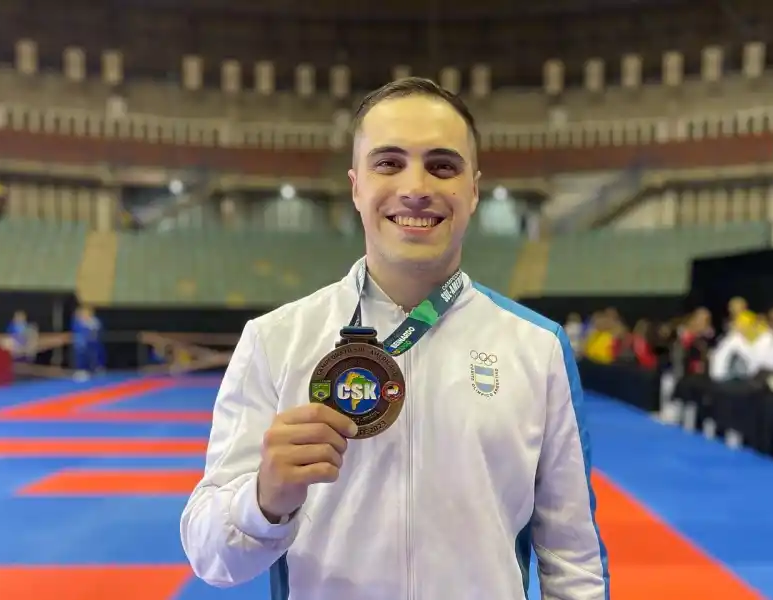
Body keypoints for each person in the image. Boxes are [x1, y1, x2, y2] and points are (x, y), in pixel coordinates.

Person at [180, 78, 609, 600]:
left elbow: (573, 558)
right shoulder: (276, 341)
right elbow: (210, 557)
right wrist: (264, 499)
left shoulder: (537, 347)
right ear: (356, 186)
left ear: (474, 190)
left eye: (442, 166)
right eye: (389, 163)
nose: (416, 187)